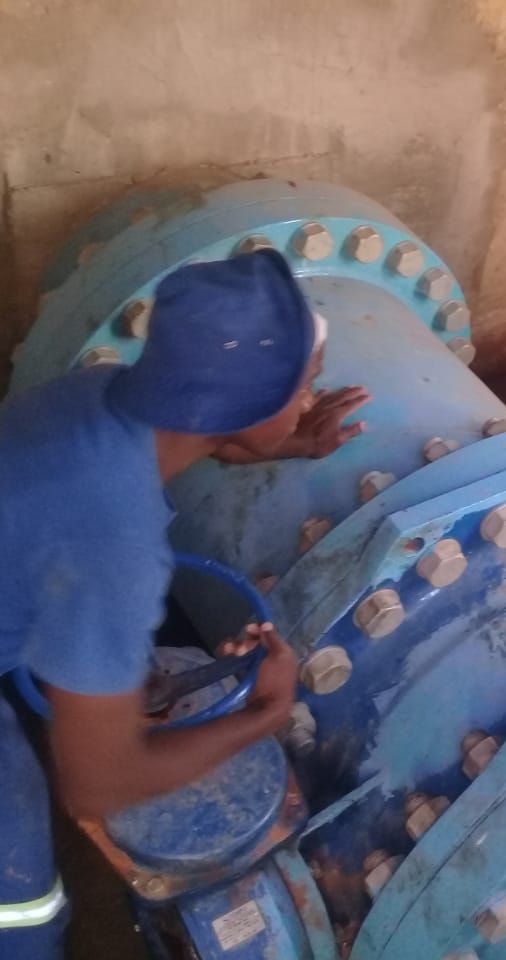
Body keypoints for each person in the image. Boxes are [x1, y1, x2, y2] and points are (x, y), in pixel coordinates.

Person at [0, 250, 369, 959]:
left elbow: (204, 436)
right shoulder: (114, 541)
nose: (311, 399)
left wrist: (287, 441)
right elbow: (96, 786)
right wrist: (265, 712)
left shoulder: (102, 392)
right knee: (21, 909)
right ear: (240, 410)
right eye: (305, 387)